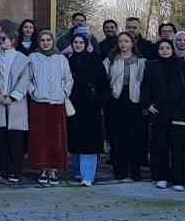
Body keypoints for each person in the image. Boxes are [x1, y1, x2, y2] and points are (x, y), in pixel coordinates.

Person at [143, 38, 185, 191]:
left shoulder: (183, 65)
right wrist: (148, 104)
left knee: (177, 148)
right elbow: (145, 87)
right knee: (161, 147)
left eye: (168, 48)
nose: (165, 51)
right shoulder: (152, 66)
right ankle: (162, 177)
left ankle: (178, 180)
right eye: (161, 48)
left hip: (179, 114)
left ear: (172, 49)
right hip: (159, 113)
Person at [26, 30, 71, 185]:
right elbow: (27, 78)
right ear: (39, 42)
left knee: (56, 137)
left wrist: (63, 93)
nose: (46, 43)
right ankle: (42, 168)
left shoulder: (61, 58)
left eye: (48, 40)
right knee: (41, 136)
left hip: (57, 103)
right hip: (39, 103)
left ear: (53, 41)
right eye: (43, 40)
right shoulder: (32, 57)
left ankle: (54, 168)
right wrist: (34, 92)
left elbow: (68, 79)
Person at [103, 33, 148, 181]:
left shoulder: (142, 62)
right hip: (116, 100)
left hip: (135, 101)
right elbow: (104, 79)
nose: (123, 44)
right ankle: (120, 171)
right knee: (118, 137)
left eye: (126, 41)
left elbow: (145, 83)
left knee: (135, 137)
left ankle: (135, 171)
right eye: (121, 41)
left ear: (132, 43)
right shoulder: (110, 60)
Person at [67, 34, 107, 187]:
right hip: (73, 105)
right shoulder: (68, 61)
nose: (78, 45)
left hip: (91, 105)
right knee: (75, 139)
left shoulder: (94, 60)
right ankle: (77, 172)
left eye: (81, 42)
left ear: (86, 44)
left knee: (89, 142)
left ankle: (88, 175)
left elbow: (103, 83)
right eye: (75, 42)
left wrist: (98, 101)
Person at [0, 33, 31, 183]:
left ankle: (15, 171)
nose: (1, 41)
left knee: (15, 138)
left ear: (13, 40)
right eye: (0, 39)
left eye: (4, 38)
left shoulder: (22, 58)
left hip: (16, 103)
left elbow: (25, 79)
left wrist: (13, 96)